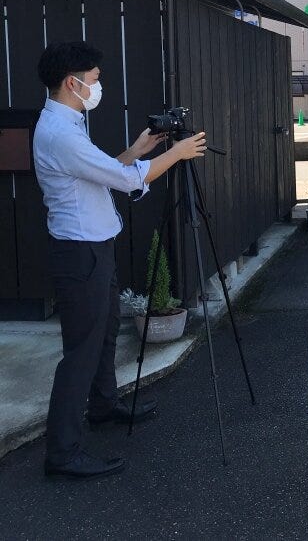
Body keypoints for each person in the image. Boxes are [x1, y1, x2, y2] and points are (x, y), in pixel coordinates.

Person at [33, 41, 207, 480]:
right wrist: (176, 154)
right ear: (72, 83)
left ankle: (103, 405)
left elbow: (104, 173)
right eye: (94, 79)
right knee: (81, 352)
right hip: (80, 253)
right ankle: (62, 453)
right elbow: (127, 180)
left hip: (92, 247)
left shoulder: (66, 124)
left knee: (105, 332)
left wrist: (137, 150)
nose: (98, 86)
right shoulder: (60, 133)